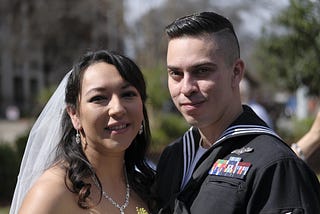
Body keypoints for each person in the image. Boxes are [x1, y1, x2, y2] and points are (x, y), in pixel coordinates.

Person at [152, 11, 320, 213]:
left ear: (236, 72)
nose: (186, 88)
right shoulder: (174, 156)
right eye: (175, 73)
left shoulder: (275, 165)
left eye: (202, 71)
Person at [10, 50, 155, 214]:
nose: (117, 109)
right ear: (74, 114)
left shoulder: (147, 187)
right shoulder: (52, 193)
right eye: (99, 98)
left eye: (128, 94)